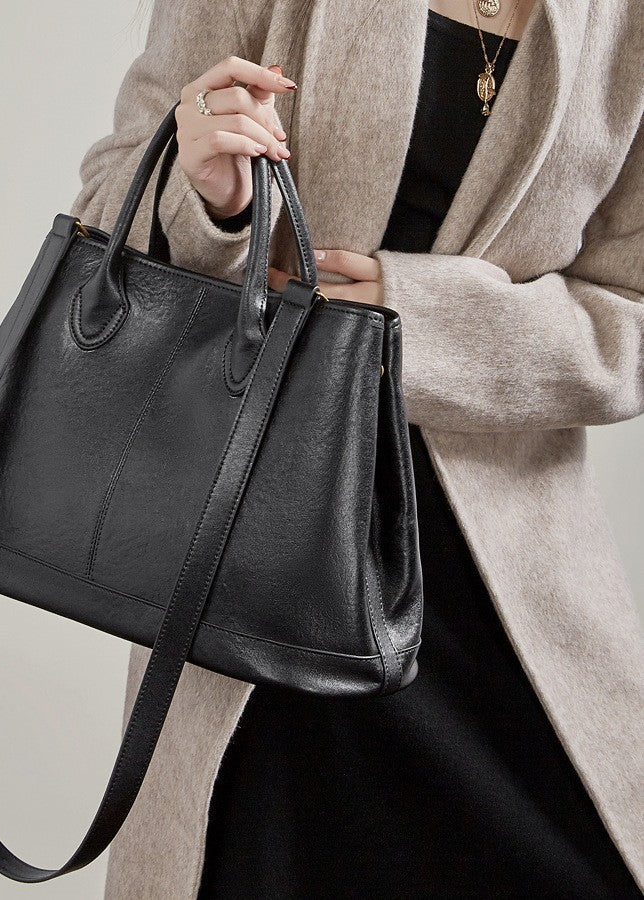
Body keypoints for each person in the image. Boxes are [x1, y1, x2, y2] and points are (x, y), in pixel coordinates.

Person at [69, 0, 644, 896]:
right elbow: (106, 208)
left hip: (508, 603)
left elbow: (630, 320)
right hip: (255, 581)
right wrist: (208, 197)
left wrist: (406, 323)